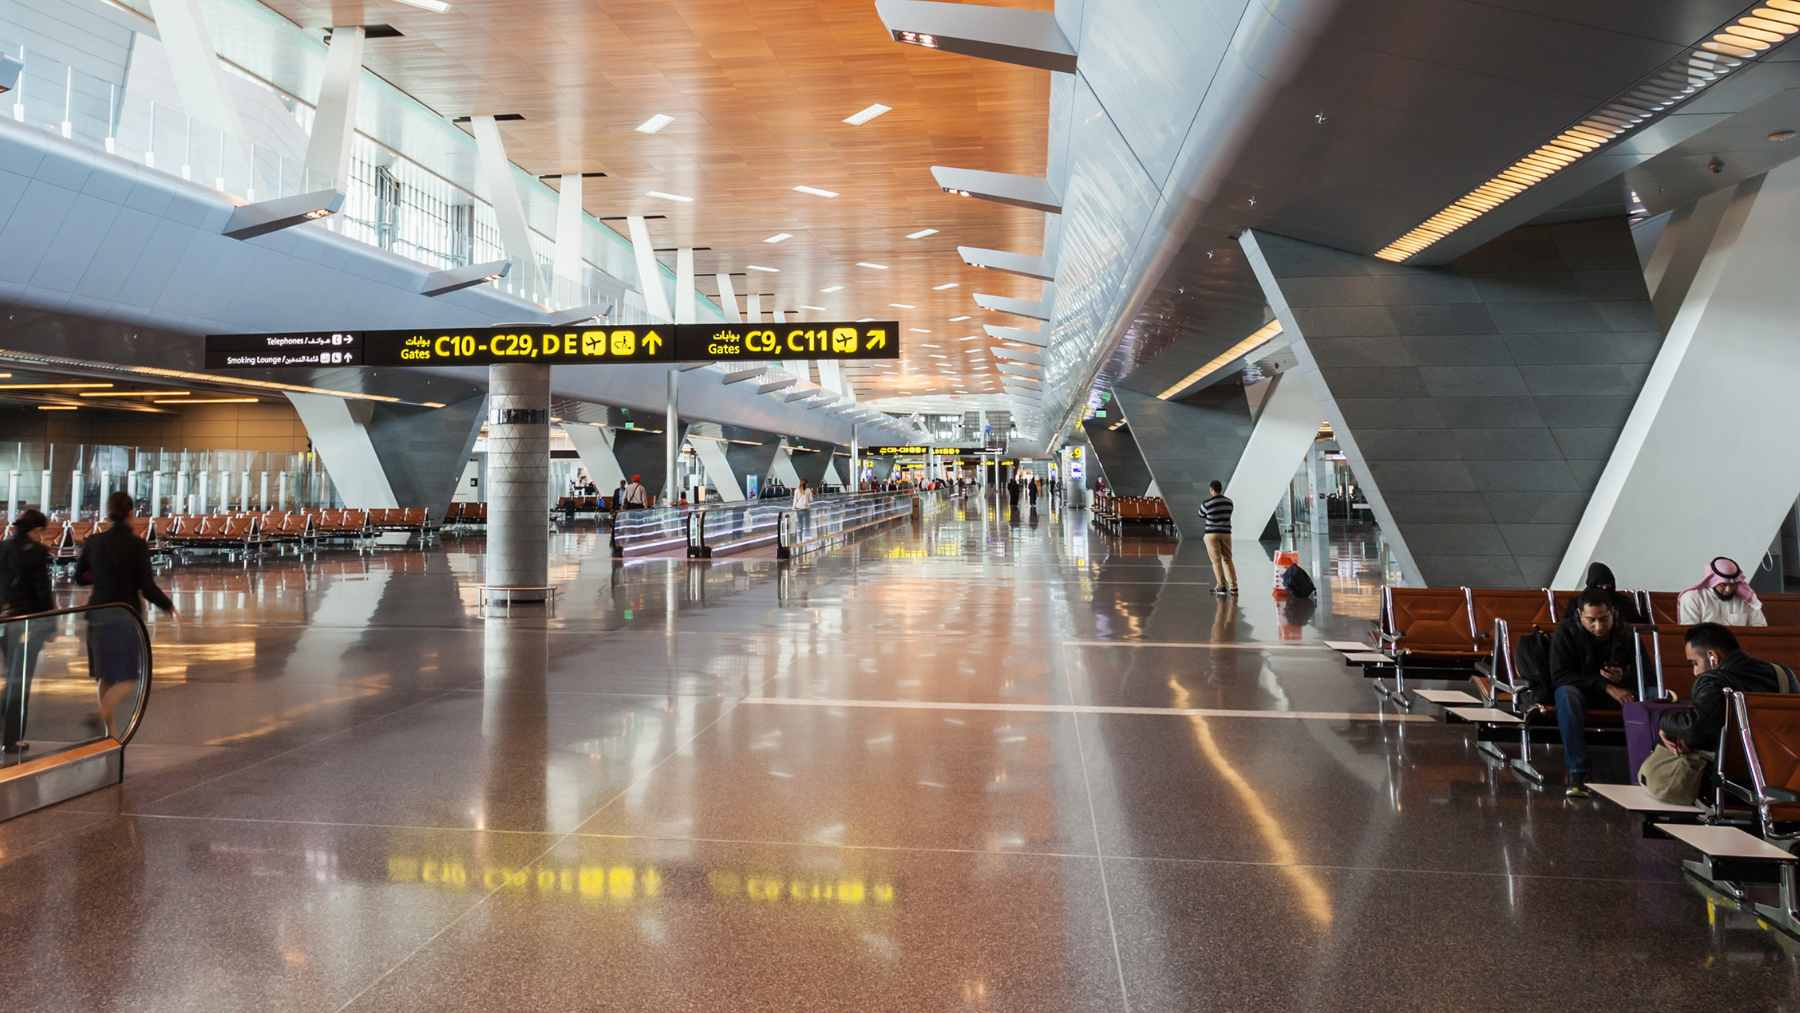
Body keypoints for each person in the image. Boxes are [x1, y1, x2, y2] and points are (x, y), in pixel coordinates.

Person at [76, 493, 176, 735]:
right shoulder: (136, 545)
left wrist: (101, 576)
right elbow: (146, 586)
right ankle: (100, 715)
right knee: (130, 676)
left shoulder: (94, 542)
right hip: (125, 614)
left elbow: (80, 577)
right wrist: (167, 605)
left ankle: (109, 732)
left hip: (97, 613)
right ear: (131, 513)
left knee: (104, 675)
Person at [1551, 588, 1636, 797]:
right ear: (1580, 615)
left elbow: (1647, 674)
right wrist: (1606, 686)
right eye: (1591, 620)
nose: (1598, 626)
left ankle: (1648, 768)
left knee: (1653, 694)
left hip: (1619, 692)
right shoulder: (1566, 632)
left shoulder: (1626, 633)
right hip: (1581, 692)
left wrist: (1623, 676)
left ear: (1613, 613)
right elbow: (1560, 676)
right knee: (1566, 695)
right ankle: (1577, 772)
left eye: (1604, 619)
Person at [1658, 623, 1785, 758]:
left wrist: (1663, 722)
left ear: (1713, 656)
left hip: (1733, 767)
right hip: (1781, 763)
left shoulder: (1712, 681)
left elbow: (1694, 730)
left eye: (1695, 663)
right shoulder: (1783, 674)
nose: (1695, 672)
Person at [0, 510, 52, 754]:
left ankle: (8, 735)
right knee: (20, 681)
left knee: (12, 676)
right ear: (36, 530)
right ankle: (12, 739)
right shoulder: (37, 553)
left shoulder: (3, 547)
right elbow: (42, 591)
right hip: (28, 624)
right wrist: (50, 622)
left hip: (4, 621)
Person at [1678, 556, 1767, 627]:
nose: (1728, 590)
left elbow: (1760, 627)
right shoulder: (1693, 598)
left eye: (1733, 584)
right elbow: (1690, 633)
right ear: (1713, 581)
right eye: (1723, 585)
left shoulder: (1747, 599)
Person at [1561, 561, 1641, 624]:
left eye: (1608, 585)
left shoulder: (1623, 602)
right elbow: (1568, 626)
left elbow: (1638, 625)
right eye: (1600, 586)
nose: (1604, 589)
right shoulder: (1576, 603)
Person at [1200, 480, 1237, 596]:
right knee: (1228, 559)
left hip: (1211, 534)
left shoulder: (1207, 503)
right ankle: (1234, 587)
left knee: (1216, 561)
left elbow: (1201, 514)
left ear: (1211, 489)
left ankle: (1221, 586)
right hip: (1226, 533)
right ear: (1220, 489)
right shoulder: (1229, 502)